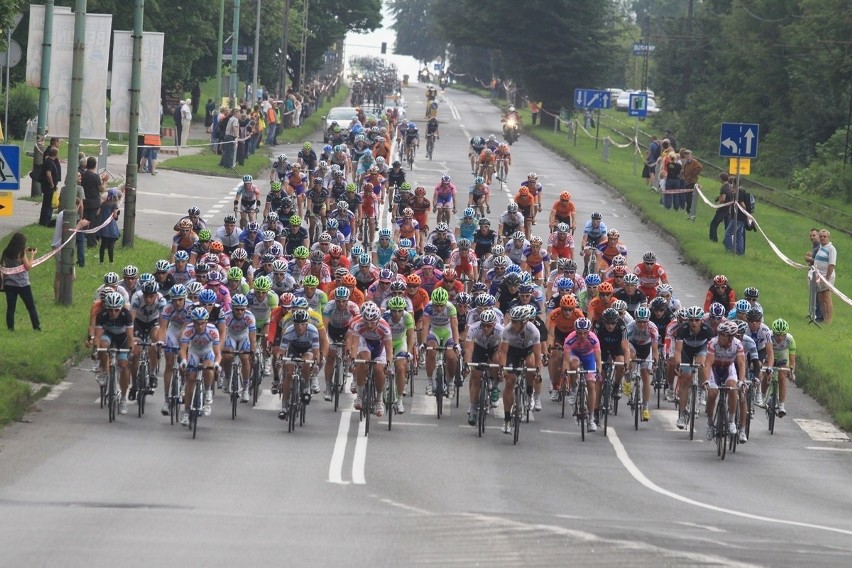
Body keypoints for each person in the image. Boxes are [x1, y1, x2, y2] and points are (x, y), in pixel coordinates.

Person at [1, 233, 41, 331]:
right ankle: (36, 327)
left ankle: (10, 328)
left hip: (9, 283)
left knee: (11, 308)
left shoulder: (6, 252)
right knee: (30, 306)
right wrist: (32, 255)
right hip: (23, 284)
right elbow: (28, 267)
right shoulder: (21, 254)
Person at [811, 229, 837, 324]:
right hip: (819, 276)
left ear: (828, 237)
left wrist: (827, 278)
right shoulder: (821, 248)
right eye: (821, 236)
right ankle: (824, 317)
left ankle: (828, 320)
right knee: (821, 298)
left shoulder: (831, 249)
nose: (822, 238)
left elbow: (831, 264)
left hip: (827, 277)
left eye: (824, 236)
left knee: (827, 298)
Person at [97, 189, 122, 264]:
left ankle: (101, 261)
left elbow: (97, 213)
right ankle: (111, 261)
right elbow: (115, 216)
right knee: (111, 244)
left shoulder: (103, 203)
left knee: (103, 244)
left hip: (103, 226)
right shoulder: (114, 204)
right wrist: (117, 214)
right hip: (111, 227)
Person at [708, 172, 734, 242]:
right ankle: (727, 241)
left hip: (723, 209)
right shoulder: (730, 186)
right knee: (728, 227)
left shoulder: (724, 187)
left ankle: (713, 239)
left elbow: (723, 199)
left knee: (714, 224)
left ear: (721, 179)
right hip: (729, 209)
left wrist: (719, 206)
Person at [39, 147, 61, 226]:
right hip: (49, 187)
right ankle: (45, 222)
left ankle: (44, 221)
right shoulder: (49, 162)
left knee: (47, 204)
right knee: (48, 205)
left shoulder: (49, 161)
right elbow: (48, 175)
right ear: (56, 154)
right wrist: (52, 184)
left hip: (49, 187)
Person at [804, 228, 823, 320]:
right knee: (814, 295)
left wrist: (810, 259)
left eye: (814, 235)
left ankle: (819, 316)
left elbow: (819, 262)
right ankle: (814, 313)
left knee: (818, 295)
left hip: (818, 274)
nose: (811, 237)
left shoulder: (820, 247)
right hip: (813, 273)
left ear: (818, 236)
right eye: (810, 235)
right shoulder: (815, 246)